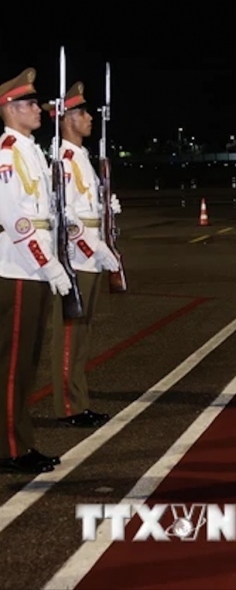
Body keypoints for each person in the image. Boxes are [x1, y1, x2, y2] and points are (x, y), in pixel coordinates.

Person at [0, 69, 72, 473]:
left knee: (24, 364)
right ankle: (11, 448)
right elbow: (16, 219)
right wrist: (48, 265)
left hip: (32, 267)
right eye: (29, 104)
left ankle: (17, 441)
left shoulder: (30, 150)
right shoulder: (9, 152)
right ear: (10, 109)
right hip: (19, 268)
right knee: (13, 365)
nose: (38, 109)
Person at [42, 82, 122, 427]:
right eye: (84, 113)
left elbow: (85, 208)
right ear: (68, 118)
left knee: (83, 333)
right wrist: (95, 246)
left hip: (88, 254)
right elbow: (66, 215)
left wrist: (107, 211)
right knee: (69, 334)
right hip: (75, 256)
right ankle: (69, 407)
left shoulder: (81, 158)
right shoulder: (63, 159)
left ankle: (79, 399)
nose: (90, 118)